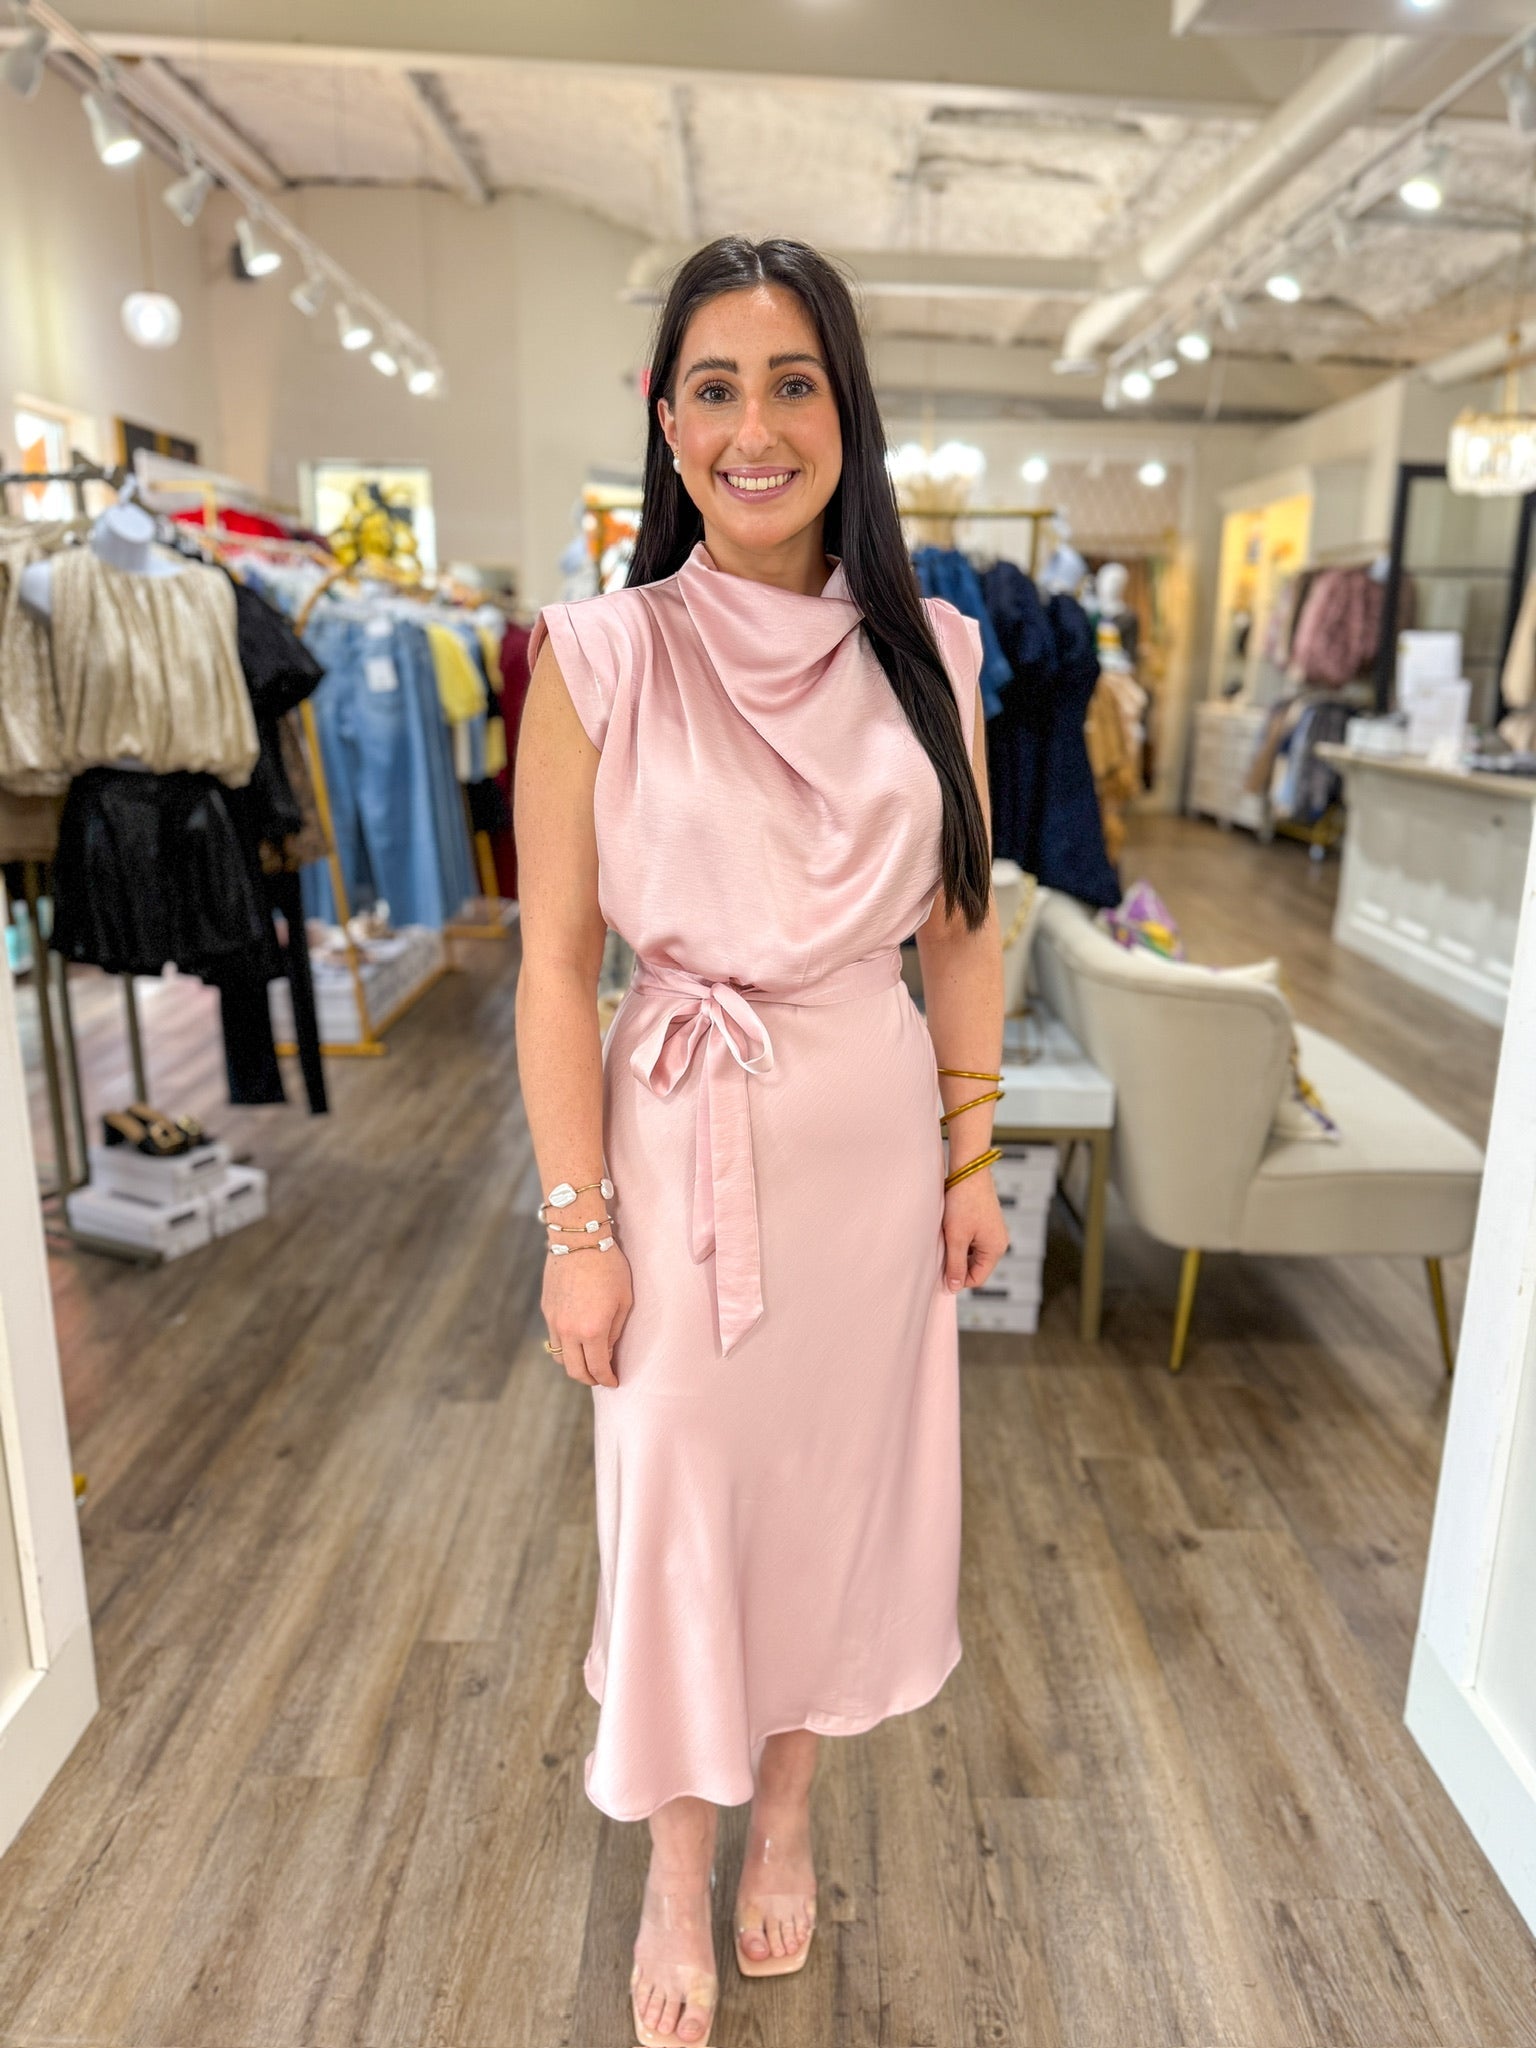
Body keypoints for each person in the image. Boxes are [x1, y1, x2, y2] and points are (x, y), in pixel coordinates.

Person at [513, 234, 1007, 2048]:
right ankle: (675, 1856)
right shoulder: (596, 655)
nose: (754, 427)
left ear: (845, 412)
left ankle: (784, 1811)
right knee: (677, 1504)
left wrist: (971, 1157)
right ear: (666, 422)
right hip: (675, 1139)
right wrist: (578, 1228)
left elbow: (961, 927)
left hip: (866, 1146)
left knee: (830, 1501)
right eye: (714, 388)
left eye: (793, 383)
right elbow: (553, 966)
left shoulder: (936, 650)